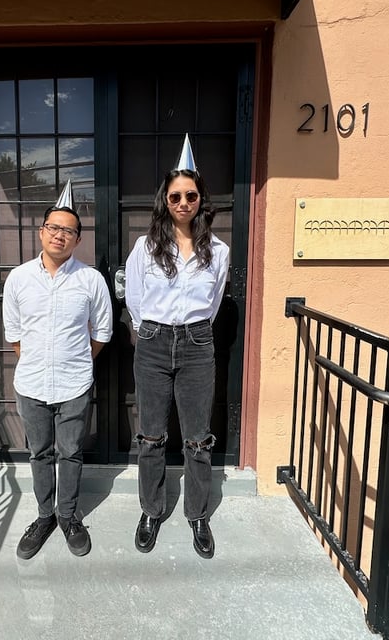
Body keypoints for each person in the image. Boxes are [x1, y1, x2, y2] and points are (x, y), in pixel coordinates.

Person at [125, 134, 230, 559]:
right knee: (150, 435)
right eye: (175, 196)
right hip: (152, 342)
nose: (183, 202)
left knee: (198, 438)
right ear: (165, 201)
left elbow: (215, 299)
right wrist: (147, 329)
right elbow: (133, 295)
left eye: (190, 195)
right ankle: (152, 510)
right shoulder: (146, 246)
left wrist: (192, 332)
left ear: (200, 199)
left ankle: (198, 515)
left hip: (196, 342)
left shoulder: (218, 251)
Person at [2, 181, 114, 559]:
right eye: (54, 228)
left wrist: (77, 360)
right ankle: (44, 516)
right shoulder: (18, 279)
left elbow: (101, 332)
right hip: (31, 383)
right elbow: (14, 333)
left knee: (70, 453)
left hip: (74, 383)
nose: (59, 235)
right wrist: (37, 360)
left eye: (68, 230)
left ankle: (68, 517)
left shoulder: (90, 280)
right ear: (42, 231)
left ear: (78, 239)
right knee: (40, 454)